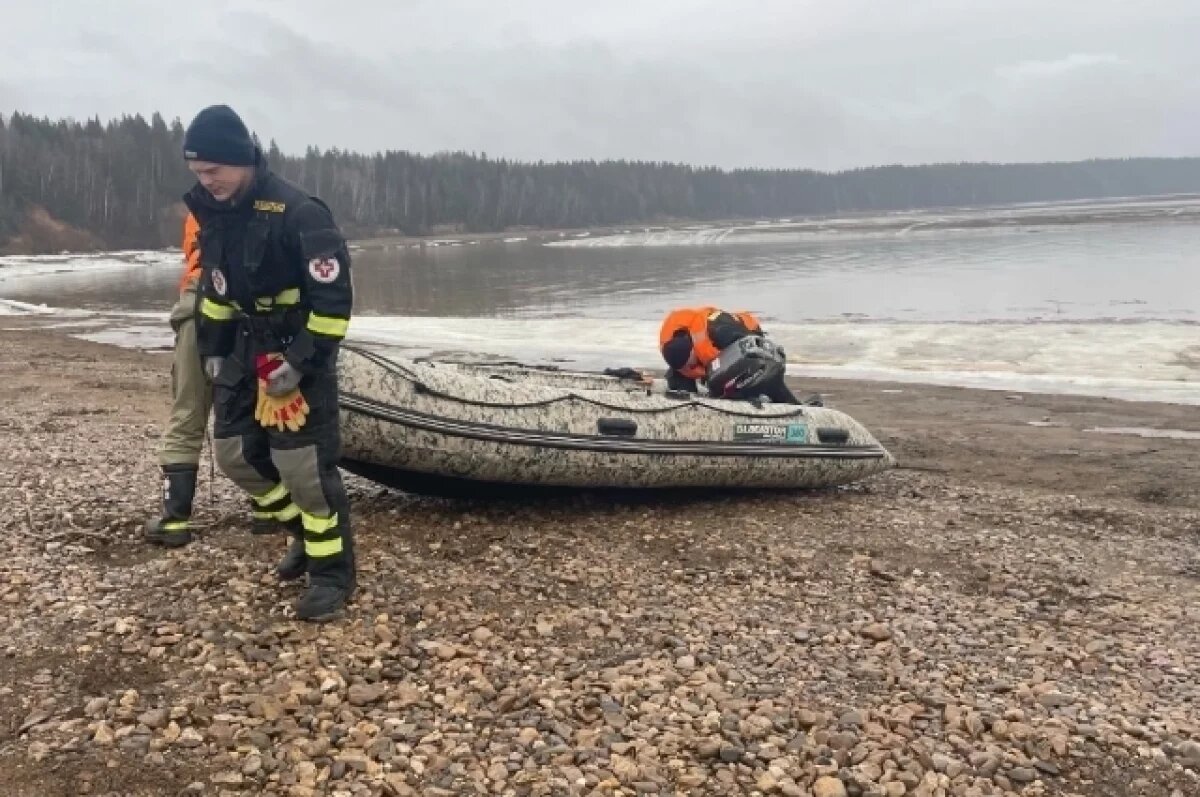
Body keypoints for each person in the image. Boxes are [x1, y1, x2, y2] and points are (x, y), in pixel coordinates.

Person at [183, 104, 355, 622]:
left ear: (244, 160)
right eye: (198, 173)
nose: (206, 181)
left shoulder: (302, 213)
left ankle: (332, 574)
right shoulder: (211, 215)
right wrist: (212, 352)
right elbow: (213, 295)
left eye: (214, 170)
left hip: (293, 352)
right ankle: (303, 533)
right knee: (235, 455)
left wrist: (300, 363)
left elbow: (333, 303)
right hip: (239, 352)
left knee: (304, 471)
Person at [144, 212, 210, 547]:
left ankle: (175, 519)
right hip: (249, 314)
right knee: (249, 413)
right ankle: (266, 510)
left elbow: (195, 256)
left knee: (187, 411)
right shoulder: (265, 205)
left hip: (198, 308)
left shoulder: (199, 211)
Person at [658, 306, 801, 404]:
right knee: (676, 380)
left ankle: (790, 405)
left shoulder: (720, 332)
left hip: (746, 341)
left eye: (689, 363)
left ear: (692, 349)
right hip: (719, 354)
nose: (690, 367)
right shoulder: (674, 343)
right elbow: (682, 367)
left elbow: (754, 348)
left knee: (748, 383)